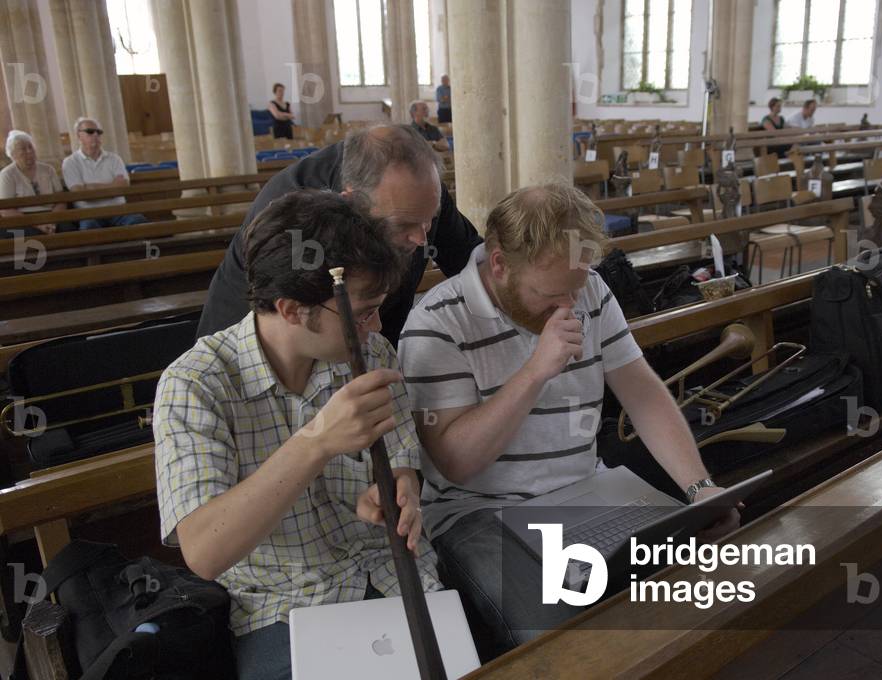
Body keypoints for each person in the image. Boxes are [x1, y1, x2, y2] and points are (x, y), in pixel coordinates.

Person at [398, 183, 742, 658]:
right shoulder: (436, 324)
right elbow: (457, 463)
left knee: (712, 580)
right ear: (499, 264)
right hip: (477, 513)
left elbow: (642, 393)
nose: (569, 305)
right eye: (552, 293)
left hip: (585, 489)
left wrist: (699, 489)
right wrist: (536, 371)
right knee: (562, 644)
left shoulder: (588, 289)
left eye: (576, 288)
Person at [154, 189, 441, 680]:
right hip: (285, 610)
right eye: (364, 311)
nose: (373, 328)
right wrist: (316, 442)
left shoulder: (371, 355)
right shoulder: (197, 383)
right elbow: (204, 552)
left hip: (395, 575)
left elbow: (400, 458)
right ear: (291, 310)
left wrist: (402, 488)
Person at [196, 124, 480, 346]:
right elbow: (295, 324)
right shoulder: (295, 217)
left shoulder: (419, 195)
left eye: (428, 220)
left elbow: (470, 261)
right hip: (263, 347)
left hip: (367, 331)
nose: (422, 240)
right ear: (352, 200)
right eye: (402, 225)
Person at [61, 117, 146, 230]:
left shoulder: (114, 158)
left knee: (139, 222)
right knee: (89, 229)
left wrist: (92, 187)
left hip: (119, 211)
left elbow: (123, 187)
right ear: (78, 136)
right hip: (90, 214)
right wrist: (112, 186)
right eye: (90, 132)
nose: (96, 135)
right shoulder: (70, 162)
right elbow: (80, 193)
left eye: (99, 132)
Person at [1, 130, 73, 237]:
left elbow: (61, 200)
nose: (29, 151)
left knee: (69, 229)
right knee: (30, 236)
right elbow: (6, 210)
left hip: (51, 214)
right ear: (12, 154)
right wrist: (37, 224)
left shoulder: (48, 170)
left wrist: (52, 221)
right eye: (23, 149)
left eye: (31, 147)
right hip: (23, 219)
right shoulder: (7, 175)